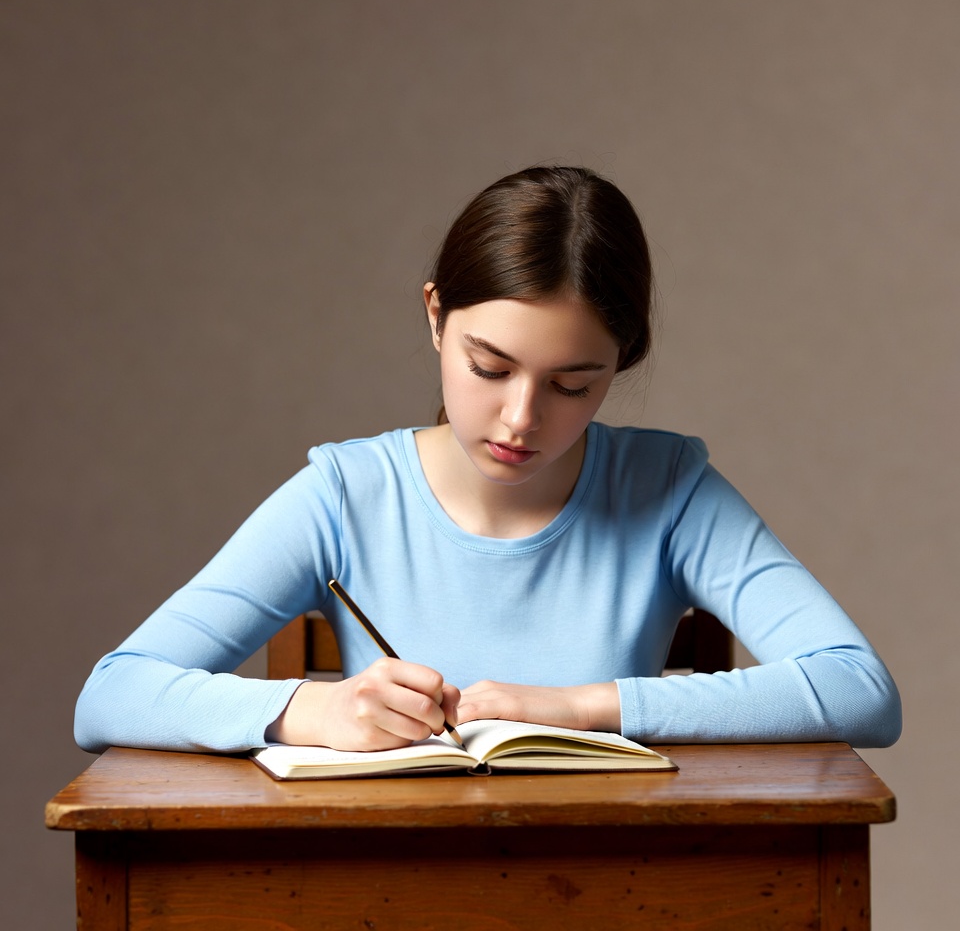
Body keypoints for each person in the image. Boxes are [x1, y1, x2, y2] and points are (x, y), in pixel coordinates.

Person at [74, 166, 901, 755]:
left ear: (623, 363)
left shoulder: (670, 489)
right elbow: (111, 694)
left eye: (574, 385)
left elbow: (861, 690)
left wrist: (580, 707)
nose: (520, 418)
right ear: (436, 316)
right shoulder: (346, 495)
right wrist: (311, 711)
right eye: (489, 368)